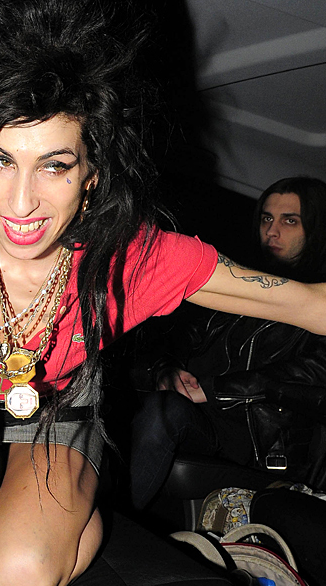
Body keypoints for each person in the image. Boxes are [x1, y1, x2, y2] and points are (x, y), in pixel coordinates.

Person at [0, 0, 326, 586]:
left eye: (55, 165)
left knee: (18, 572)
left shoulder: (134, 259)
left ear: (92, 175)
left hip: (59, 416)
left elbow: (309, 303)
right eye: (0, 160)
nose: (21, 202)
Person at [130, 176, 326, 510]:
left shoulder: (316, 302)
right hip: (197, 414)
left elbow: (310, 374)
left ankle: (123, 525)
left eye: (290, 221)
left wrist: (213, 389)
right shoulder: (241, 282)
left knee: (164, 411)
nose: (272, 231)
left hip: (258, 441)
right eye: (267, 218)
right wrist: (167, 370)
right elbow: (175, 338)